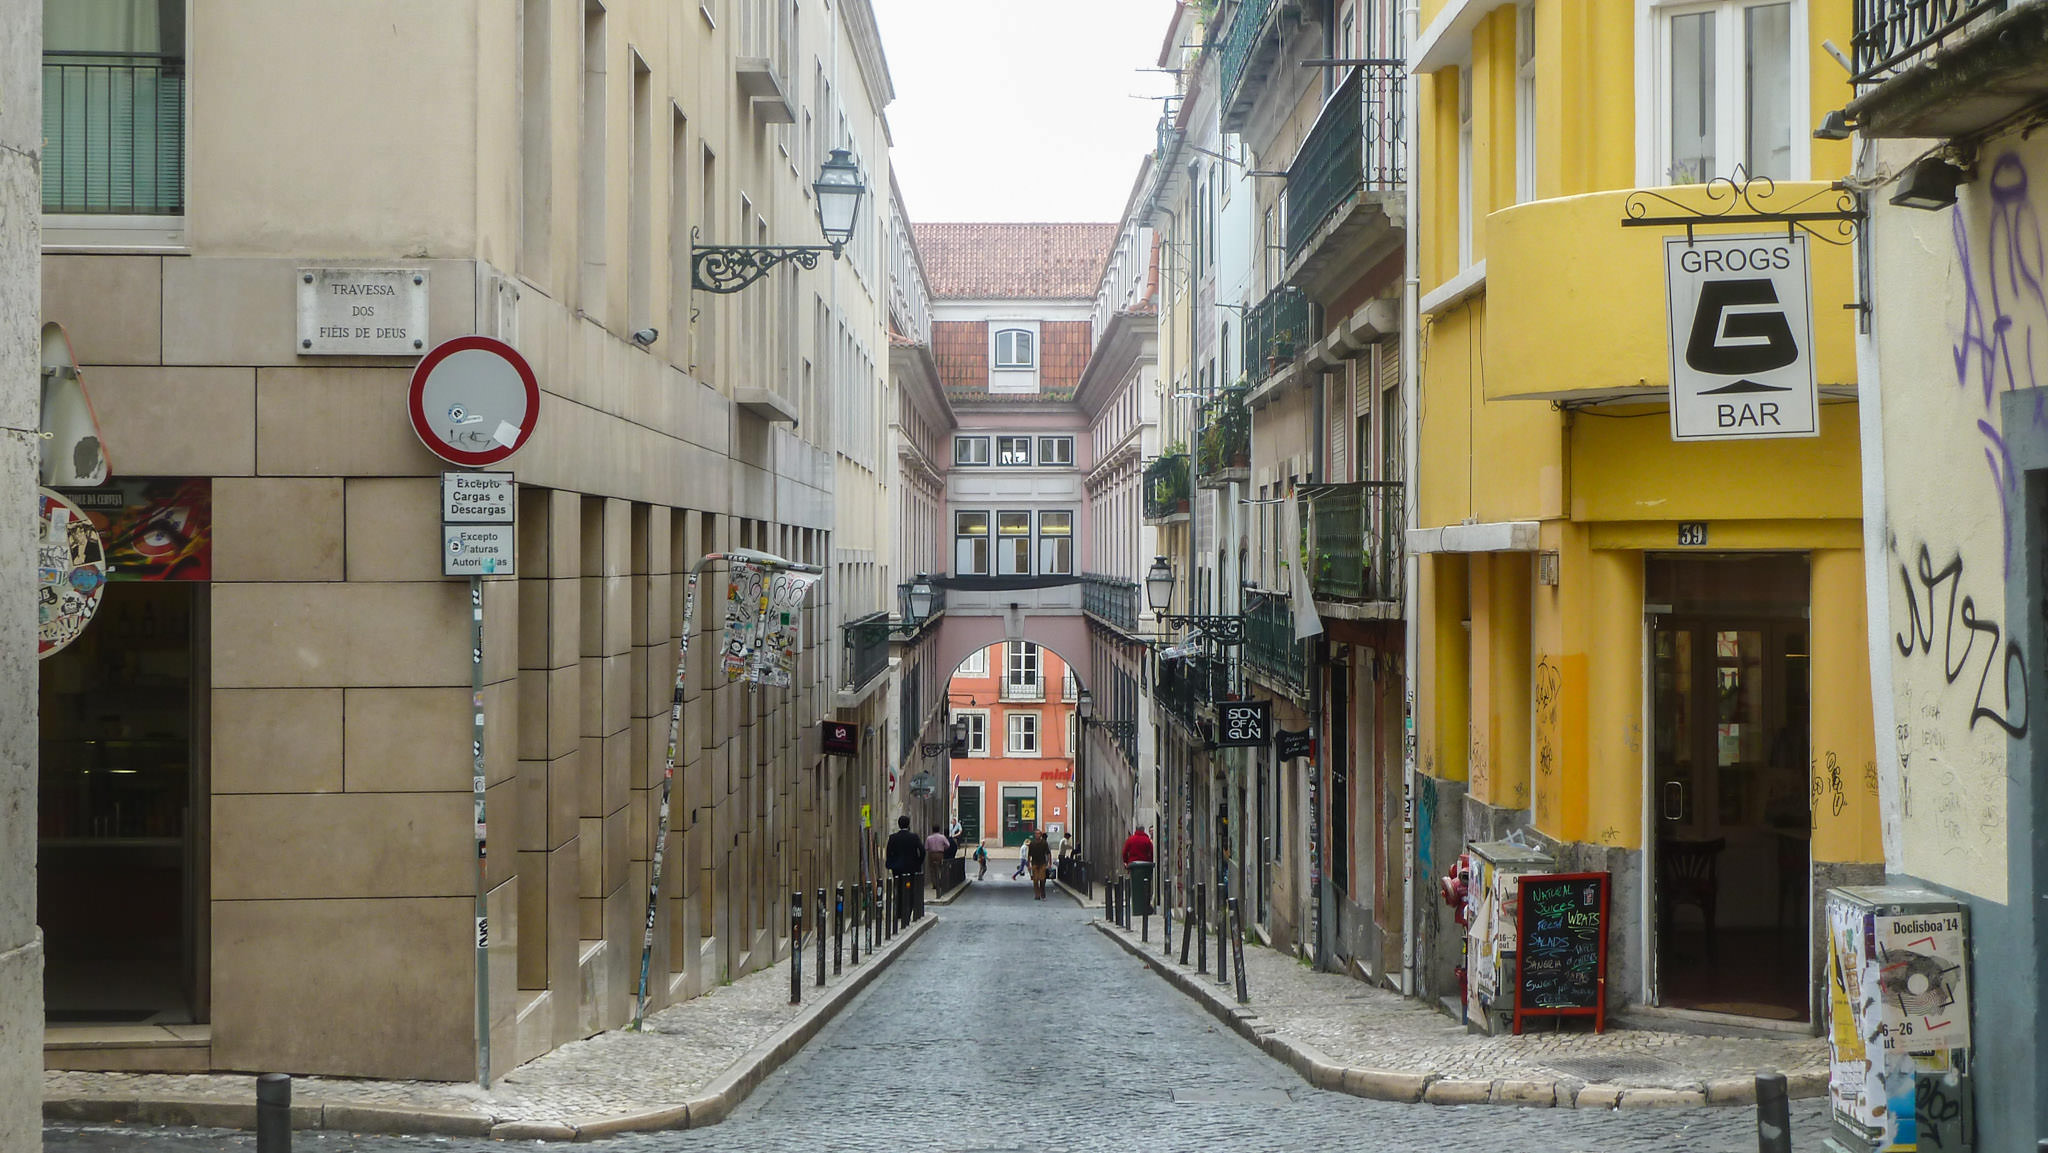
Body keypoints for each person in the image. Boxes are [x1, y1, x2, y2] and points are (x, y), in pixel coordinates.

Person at [884, 815, 923, 927]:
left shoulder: (893, 837)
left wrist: (890, 864)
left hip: (897, 868)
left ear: (899, 824)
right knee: (910, 890)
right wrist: (918, 863)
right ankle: (908, 911)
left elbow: (888, 852)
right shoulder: (914, 837)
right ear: (908, 824)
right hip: (911, 868)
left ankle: (899, 913)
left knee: (898, 889)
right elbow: (922, 851)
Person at [924, 825, 951, 899]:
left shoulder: (929, 838)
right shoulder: (942, 837)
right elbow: (948, 845)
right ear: (939, 829)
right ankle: (940, 882)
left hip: (931, 854)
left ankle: (934, 884)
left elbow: (926, 847)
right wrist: (943, 848)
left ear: (932, 829)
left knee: (932, 869)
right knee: (940, 868)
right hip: (940, 854)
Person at [1027, 830, 1052, 900]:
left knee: (1042, 879)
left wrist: (1050, 863)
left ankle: (1043, 895)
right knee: (1035, 880)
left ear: (1040, 835)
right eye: (1036, 834)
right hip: (1034, 863)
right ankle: (1037, 895)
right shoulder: (1032, 843)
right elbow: (1029, 854)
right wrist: (1028, 864)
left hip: (1042, 863)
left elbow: (1048, 853)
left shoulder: (1044, 843)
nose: (1037, 835)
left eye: (1038, 834)